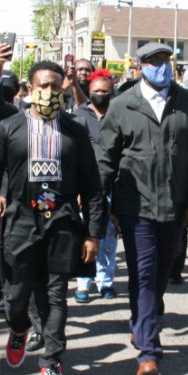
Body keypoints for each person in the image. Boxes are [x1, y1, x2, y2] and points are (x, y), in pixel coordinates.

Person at [0, 60, 105, 375]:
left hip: (61, 225)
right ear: (30, 90)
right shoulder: (10, 128)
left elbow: (92, 185)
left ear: (63, 89)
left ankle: (52, 362)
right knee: (16, 295)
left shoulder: (75, 131)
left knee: (56, 295)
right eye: (42, 86)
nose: (49, 92)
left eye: (55, 86)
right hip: (18, 222)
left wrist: (92, 233)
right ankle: (19, 328)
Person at [96, 42, 188, 375]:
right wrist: (99, 205)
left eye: (165, 60)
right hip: (136, 208)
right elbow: (105, 158)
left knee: (159, 275)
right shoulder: (122, 106)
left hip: (177, 209)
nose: (160, 66)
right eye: (153, 61)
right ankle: (149, 352)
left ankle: (141, 323)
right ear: (140, 67)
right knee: (145, 274)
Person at [72, 70, 120, 302]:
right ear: (88, 94)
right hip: (86, 186)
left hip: (113, 185)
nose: (101, 95)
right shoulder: (79, 118)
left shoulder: (119, 116)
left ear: (112, 93)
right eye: (96, 91)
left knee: (109, 237)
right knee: (86, 234)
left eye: (105, 91)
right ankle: (83, 283)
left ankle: (106, 281)